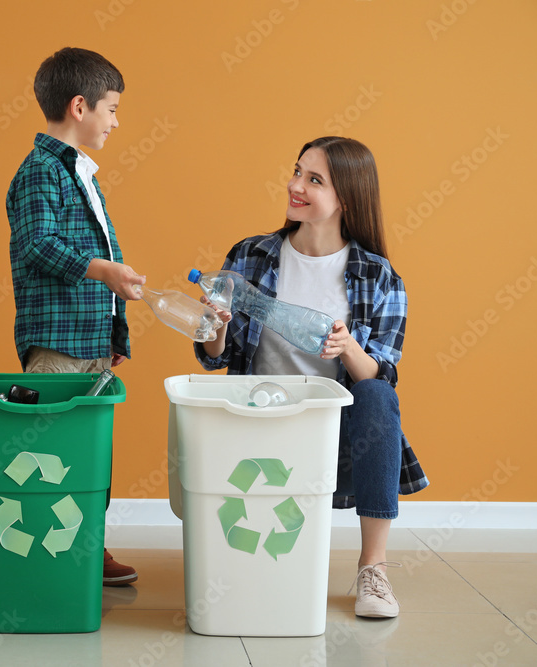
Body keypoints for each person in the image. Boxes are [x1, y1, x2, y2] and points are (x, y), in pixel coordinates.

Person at [194, 136, 428, 618]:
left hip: (330, 431)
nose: (295, 185)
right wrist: (214, 324)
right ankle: (238, 562)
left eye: (314, 180)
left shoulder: (378, 277)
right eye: (298, 172)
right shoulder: (252, 255)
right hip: (254, 414)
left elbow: (381, 375)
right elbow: (216, 359)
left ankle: (373, 569)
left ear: (346, 199)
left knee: (378, 396)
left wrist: (348, 346)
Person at [6, 47, 145, 586]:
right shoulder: (40, 172)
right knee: (50, 456)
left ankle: (85, 546)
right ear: (80, 106)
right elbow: (37, 244)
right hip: (56, 344)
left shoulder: (80, 173)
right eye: (112, 109)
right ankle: (45, 555)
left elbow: (98, 248)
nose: (116, 121)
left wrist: (111, 333)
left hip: (89, 343)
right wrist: (104, 271)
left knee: (88, 456)